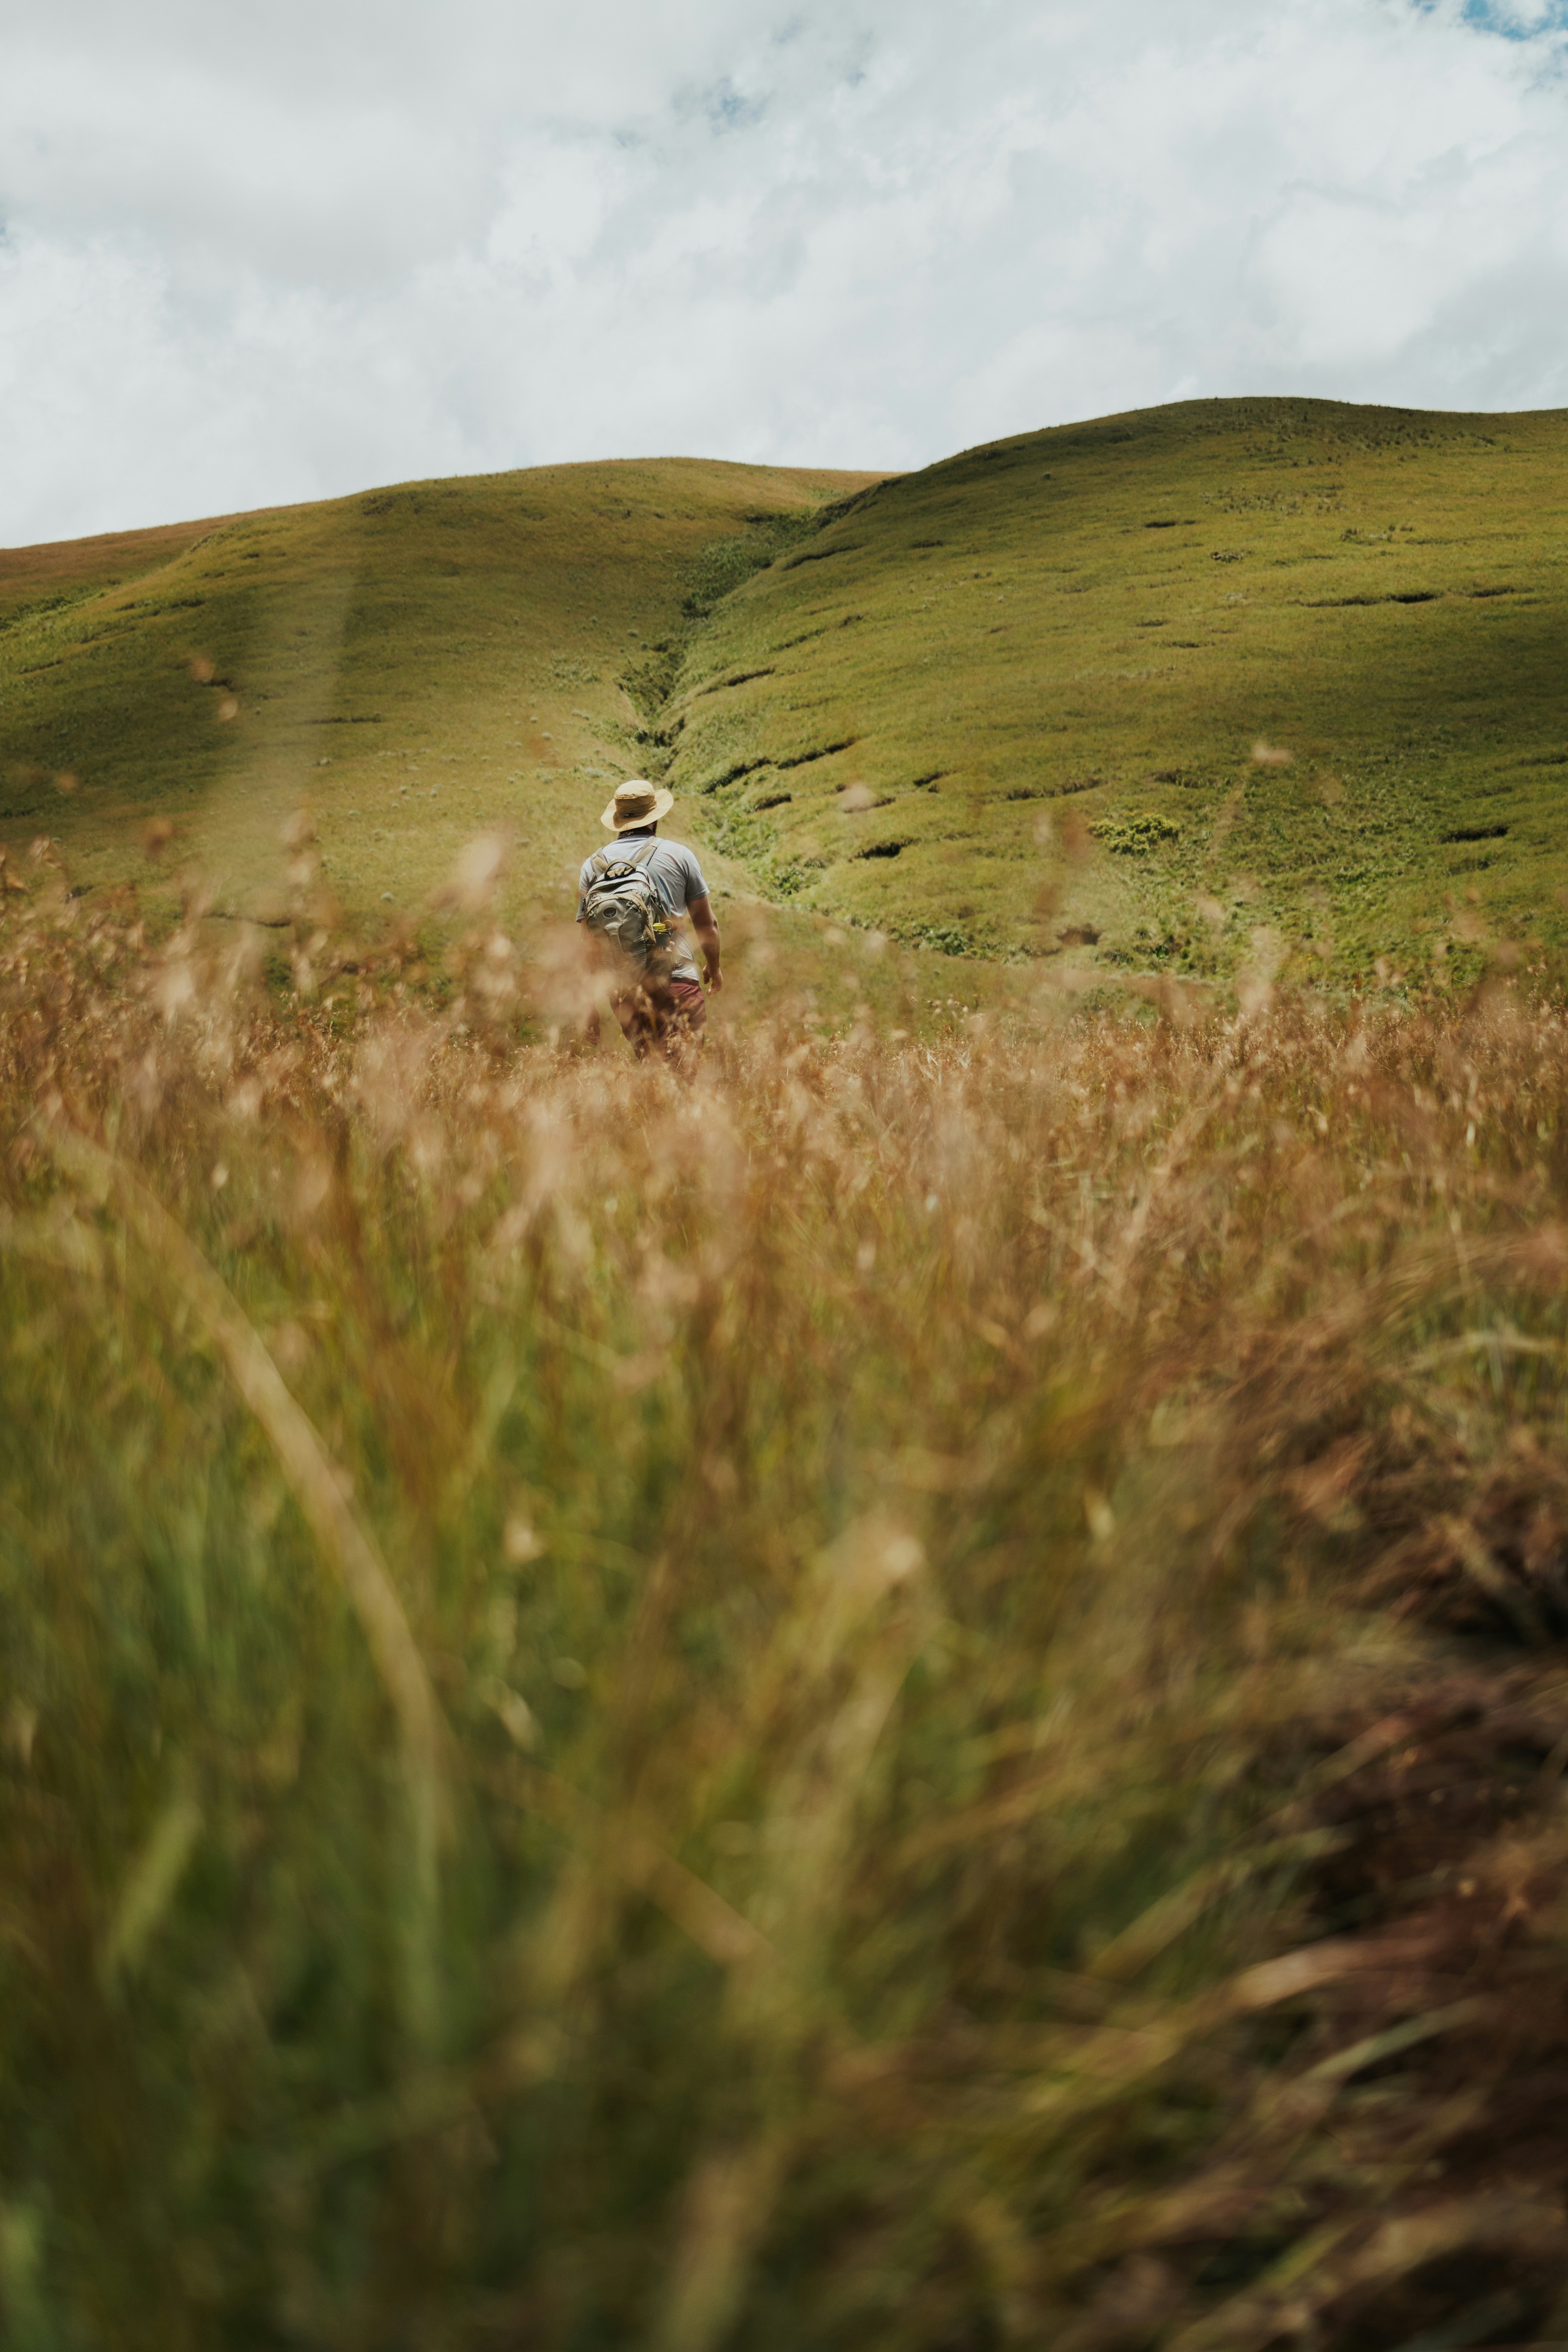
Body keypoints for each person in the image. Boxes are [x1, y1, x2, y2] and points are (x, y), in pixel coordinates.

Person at [577, 779, 722, 1060]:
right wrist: (714, 969)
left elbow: (588, 945)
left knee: (652, 1077)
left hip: (625, 993)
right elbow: (708, 925)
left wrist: (588, 1006)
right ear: (654, 818)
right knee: (688, 1078)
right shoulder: (680, 856)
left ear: (618, 820)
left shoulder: (592, 866)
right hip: (677, 981)